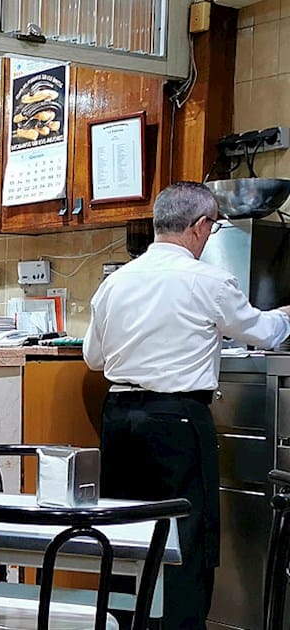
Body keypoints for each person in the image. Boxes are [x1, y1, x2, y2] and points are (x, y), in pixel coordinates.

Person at [84, 181, 290, 628]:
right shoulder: (208, 280)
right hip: (177, 420)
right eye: (211, 226)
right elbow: (262, 332)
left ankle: (125, 622)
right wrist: (287, 315)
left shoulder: (115, 282)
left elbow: (94, 358)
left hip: (119, 419)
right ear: (199, 226)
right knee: (183, 535)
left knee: (126, 531)